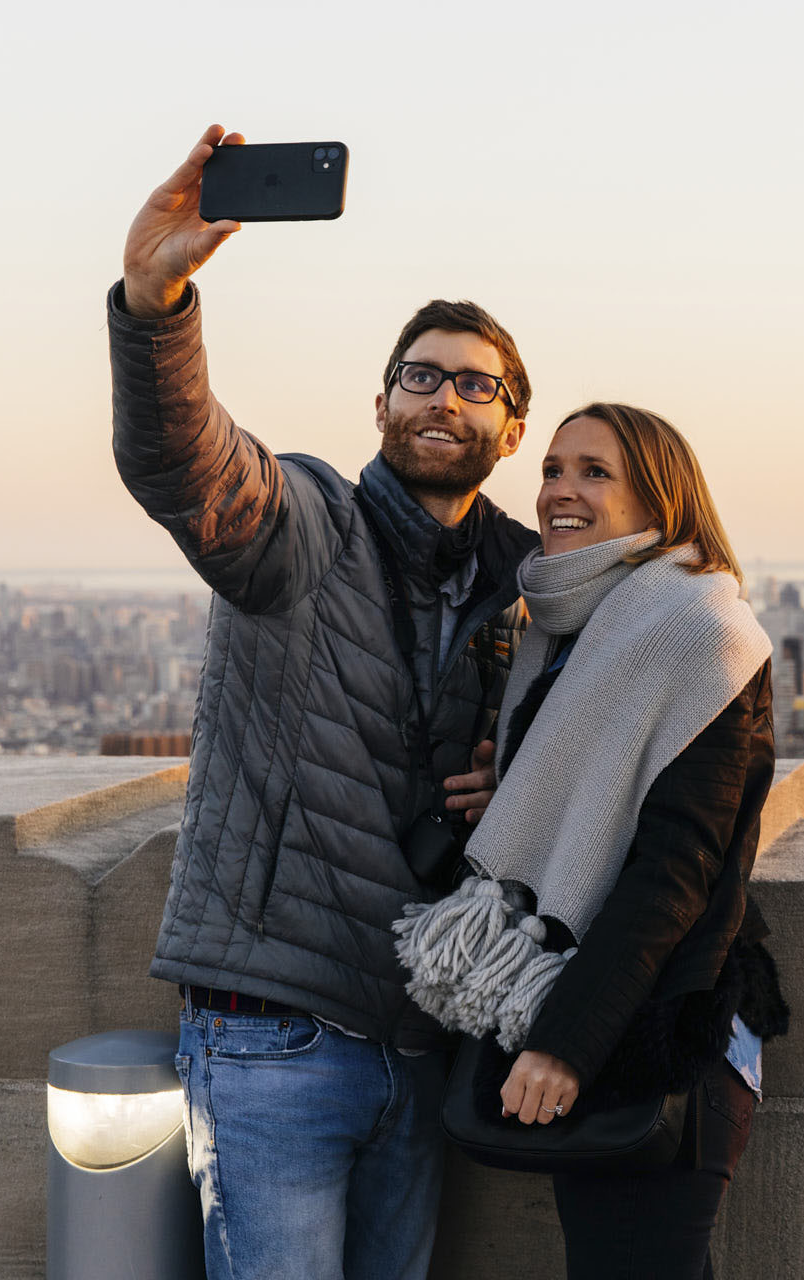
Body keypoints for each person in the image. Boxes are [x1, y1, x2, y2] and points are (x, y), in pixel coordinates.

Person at [109, 125, 535, 1279]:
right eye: (421, 373)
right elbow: (189, 465)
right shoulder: (308, 525)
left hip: (424, 1035)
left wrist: (522, 777)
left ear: (513, 426)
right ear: (383, 400)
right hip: (273, 1030)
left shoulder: (531, 586)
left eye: (476, 382)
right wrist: (158, 307)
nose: (445, 395)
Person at [399, 402, 790, 1278]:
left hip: (659, 1030)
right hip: (599, 1011)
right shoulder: (571, 634)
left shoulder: (700, 633)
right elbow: (600, 800)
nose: (560, 491)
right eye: (550, 469)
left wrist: (564, 1043)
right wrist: (517, 792)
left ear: (662, 499)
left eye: (594, 472)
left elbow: (674, 873)